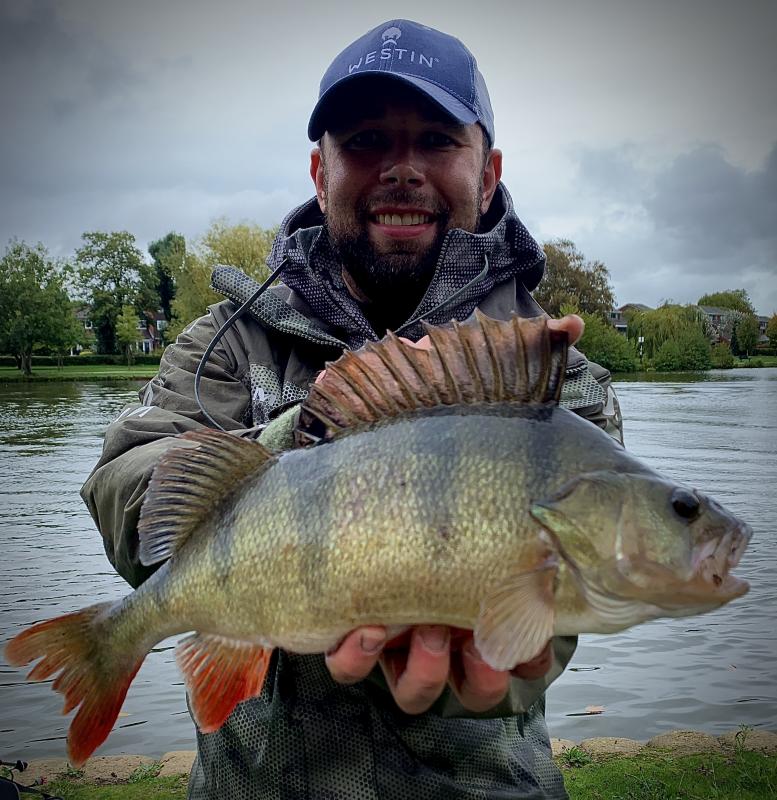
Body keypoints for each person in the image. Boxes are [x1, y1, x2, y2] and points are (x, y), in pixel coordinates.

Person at [82, 19, 622, 800]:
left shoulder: (543, 376)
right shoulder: (228, 339)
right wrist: (304, 444)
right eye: (366, 141)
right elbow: (122, 483)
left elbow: (547, 633)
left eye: (436, 140)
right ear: (319, 170)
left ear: (488, 172)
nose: (401, 169)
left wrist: (501, 666)